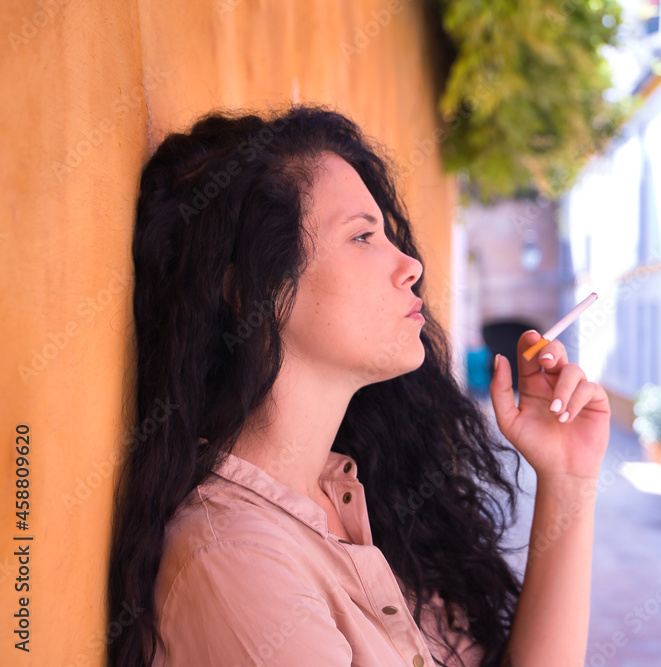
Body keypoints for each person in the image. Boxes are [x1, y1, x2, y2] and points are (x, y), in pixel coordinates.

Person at [107, 104, 610, 667]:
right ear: (251, 288)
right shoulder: (237, 562)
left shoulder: (353, 497)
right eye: (364, 237)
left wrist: (567, 478)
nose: (411, 264)